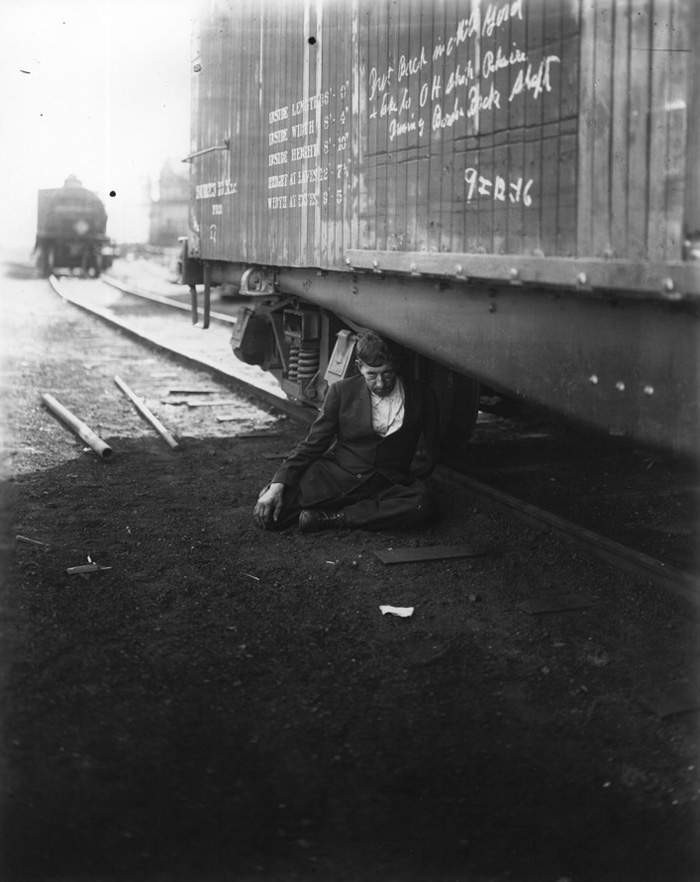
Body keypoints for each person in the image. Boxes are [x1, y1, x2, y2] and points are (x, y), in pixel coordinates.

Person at [253, 332, 440, 533]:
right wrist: (278, 483)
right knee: (272, 516)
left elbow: (431, 450)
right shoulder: (341, 391)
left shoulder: (421, 396)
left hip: (386, 485)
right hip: (337, 476)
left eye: (387, 373)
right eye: (372, 375)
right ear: (360, 367)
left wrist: (411, 477)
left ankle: (334, 518)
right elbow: (313, 444)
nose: (381, 383)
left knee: (422, 503)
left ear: (397, 367)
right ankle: (360, 513)